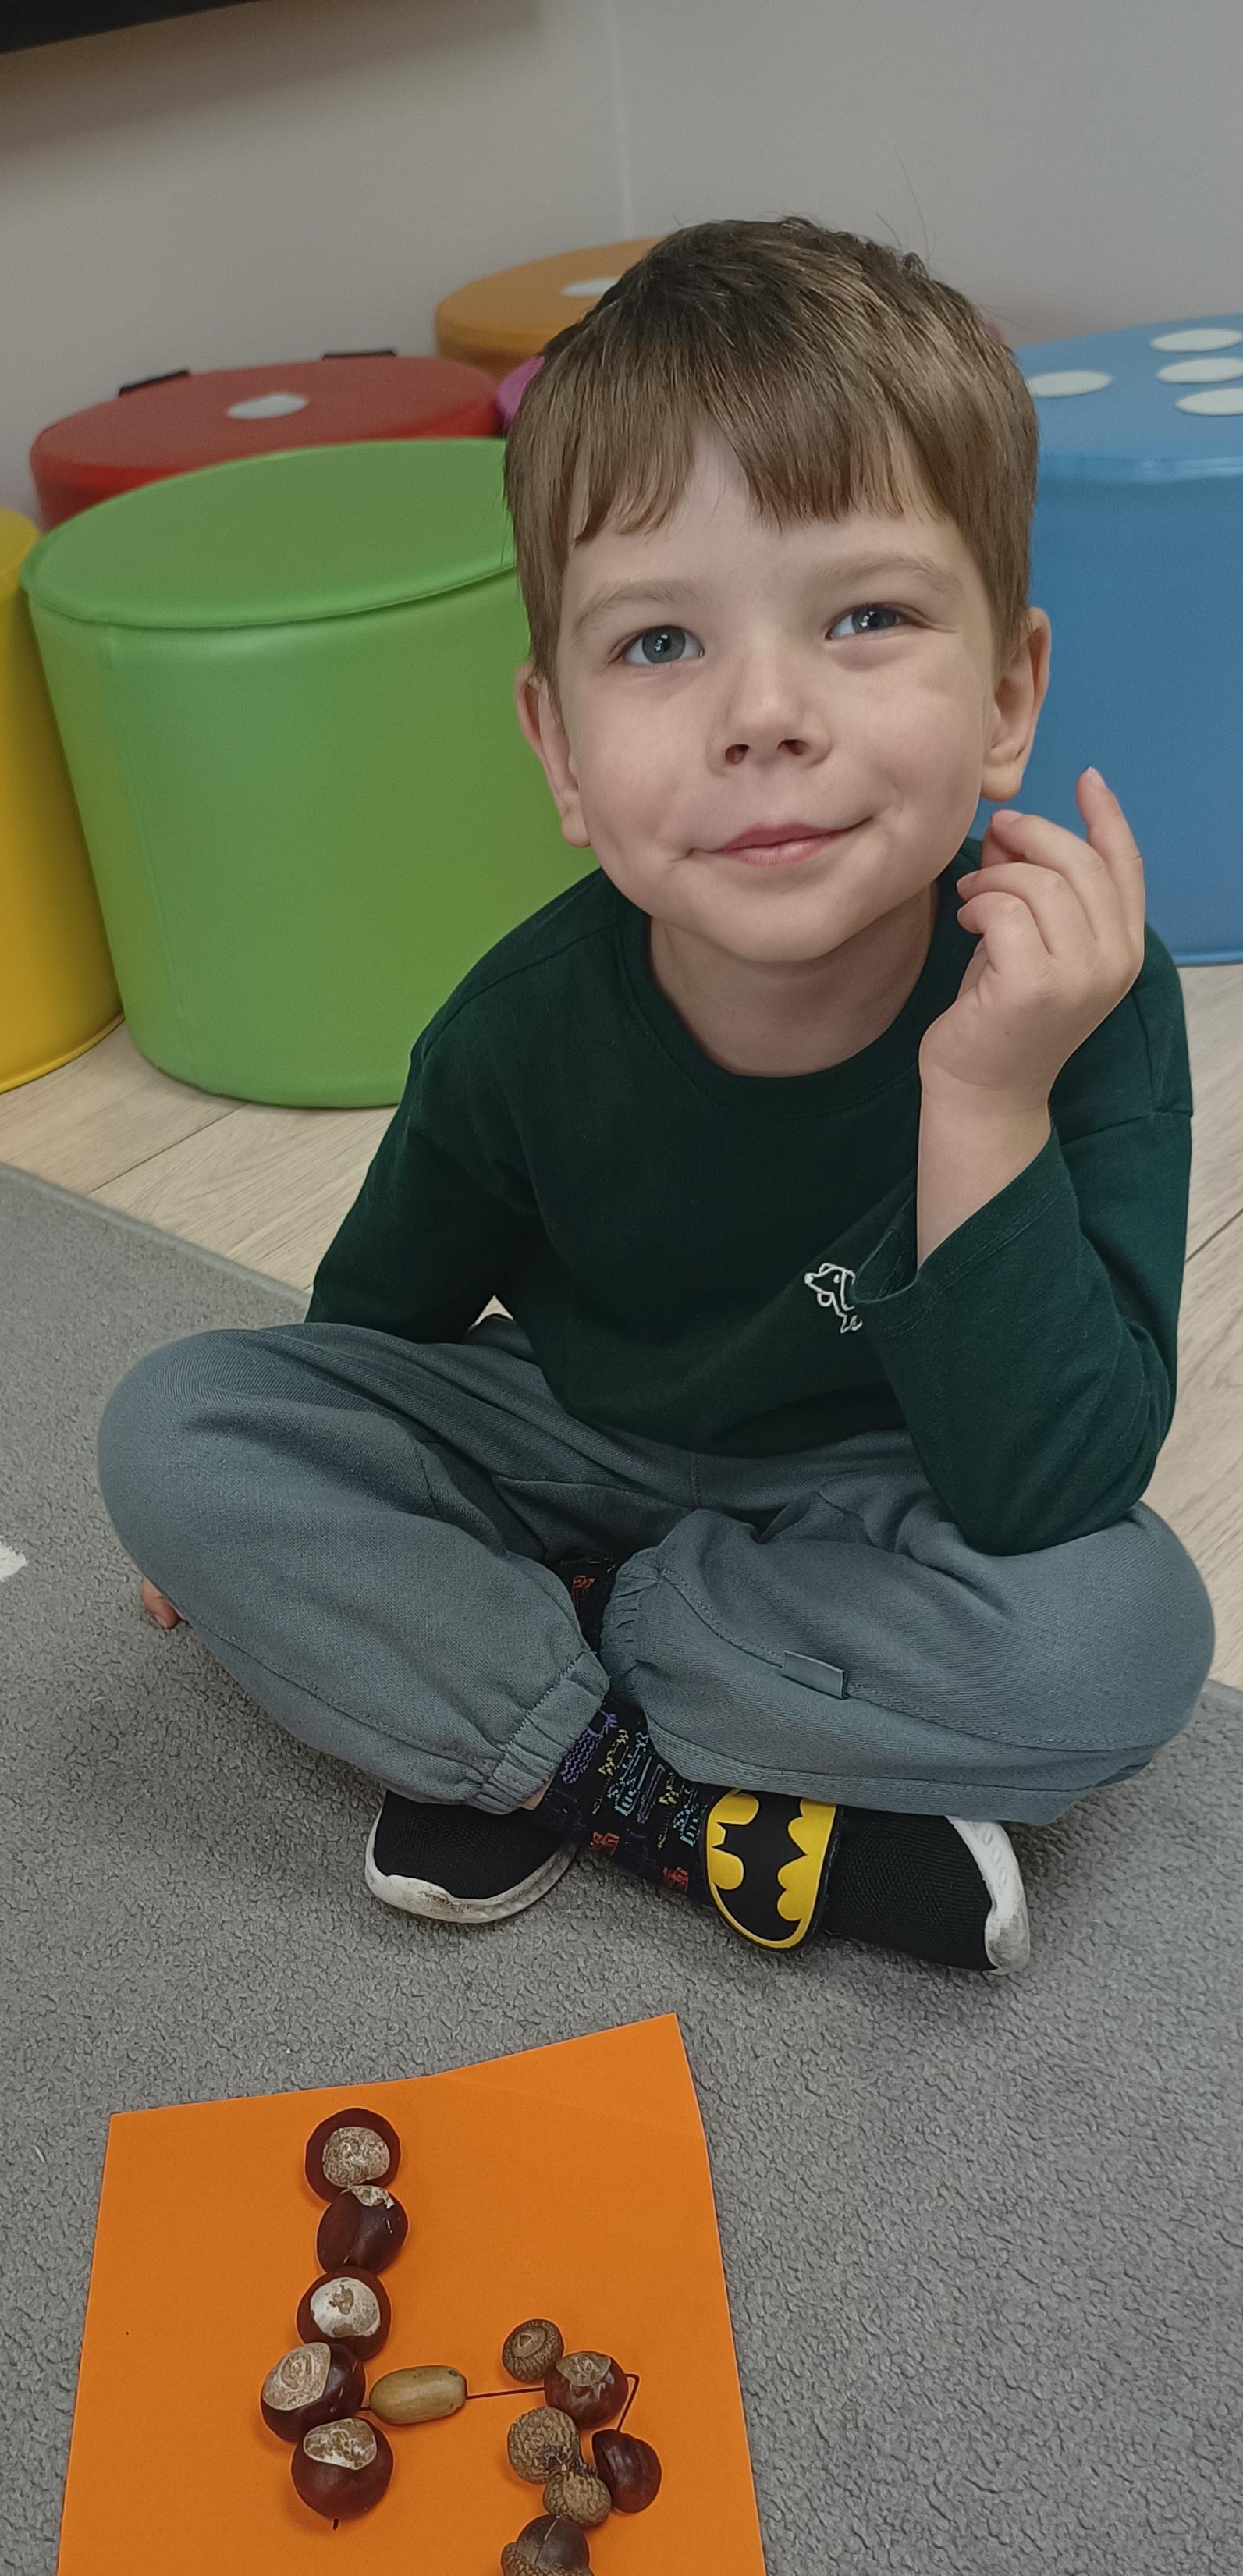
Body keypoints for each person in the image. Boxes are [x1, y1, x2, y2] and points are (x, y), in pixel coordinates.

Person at [98, 217, 1213, 1976]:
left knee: (1123, 1635)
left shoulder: (1085, 997)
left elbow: (1045, 1492)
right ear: (557, 747)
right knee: (175, 1424)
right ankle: (663, 1794)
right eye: (659, 644)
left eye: (866, 616)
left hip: (882, 1490)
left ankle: (537, 1706)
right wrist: (279, 1523)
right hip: (569, 1434)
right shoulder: (521, 1022)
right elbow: (370, 1333)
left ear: (1006, 696)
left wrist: (986, 1100)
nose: (764, 712)